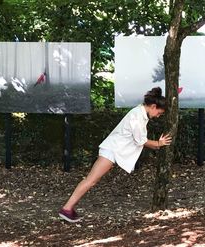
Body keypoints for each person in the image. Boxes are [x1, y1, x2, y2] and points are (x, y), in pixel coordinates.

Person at [59, 87, 172, 223]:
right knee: (91, 180)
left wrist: (158, 143)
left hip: (113, 150)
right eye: (159, 113)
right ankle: (66, 209)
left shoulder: (140, 114)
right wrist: (159, 143)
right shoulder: (137, 116)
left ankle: (68, 208)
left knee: (91, 180)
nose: (158, 116)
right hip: (111, 150)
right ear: (153, 106)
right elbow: (141, 141)